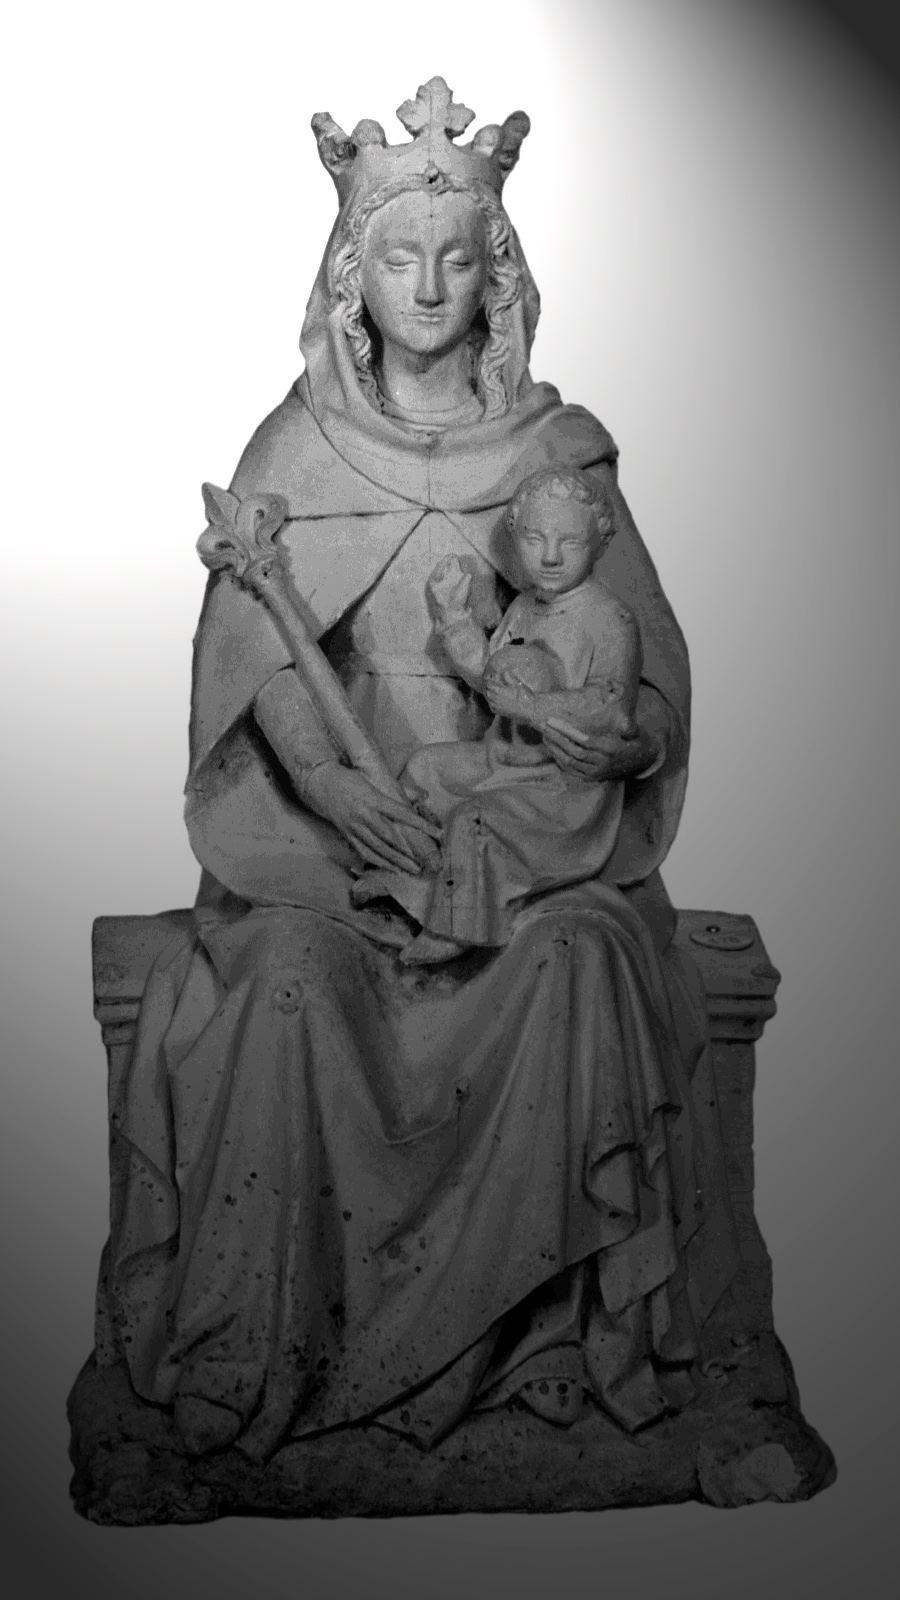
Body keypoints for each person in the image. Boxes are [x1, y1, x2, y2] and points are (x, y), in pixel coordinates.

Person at [98, 77, 739, 1462]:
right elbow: (253, 667)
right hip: (339, 854)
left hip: (526, 851)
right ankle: (257, 1348)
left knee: (580, 965)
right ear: (352, 277)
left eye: (458, 257)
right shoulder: (295, 451)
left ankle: (545, 1343)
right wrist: (333, 788)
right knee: (285, 989)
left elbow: (643, 680)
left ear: (499, 274)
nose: (432, 287)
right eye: (400, 258)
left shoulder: (559, 461)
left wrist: (598, 744)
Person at [351, 466, 645, 964]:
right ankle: (410, 875)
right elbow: (491, 677)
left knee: (475, 821)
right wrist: (453, 618)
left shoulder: (610, 619)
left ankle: (457, 925)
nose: (550, 556)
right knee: (424, 770)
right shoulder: (526, 606)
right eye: (534, 538)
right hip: (503, 757)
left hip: (562, 786)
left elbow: (612, 707)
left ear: (600, 544)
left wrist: (532, 708)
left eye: (570, 542)